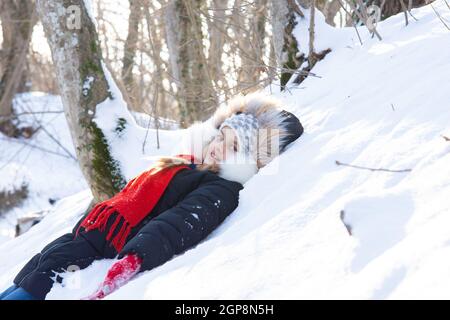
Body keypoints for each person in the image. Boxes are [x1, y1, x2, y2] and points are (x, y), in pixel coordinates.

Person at [0, 92, 303, 300]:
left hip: (93, 256)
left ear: (247, 161)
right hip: (76, 240)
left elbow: (179, 223)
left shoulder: (220, 188)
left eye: (234, 148)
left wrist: (134, 258)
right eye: (223, 136)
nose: (219, 147)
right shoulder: (185, 162)